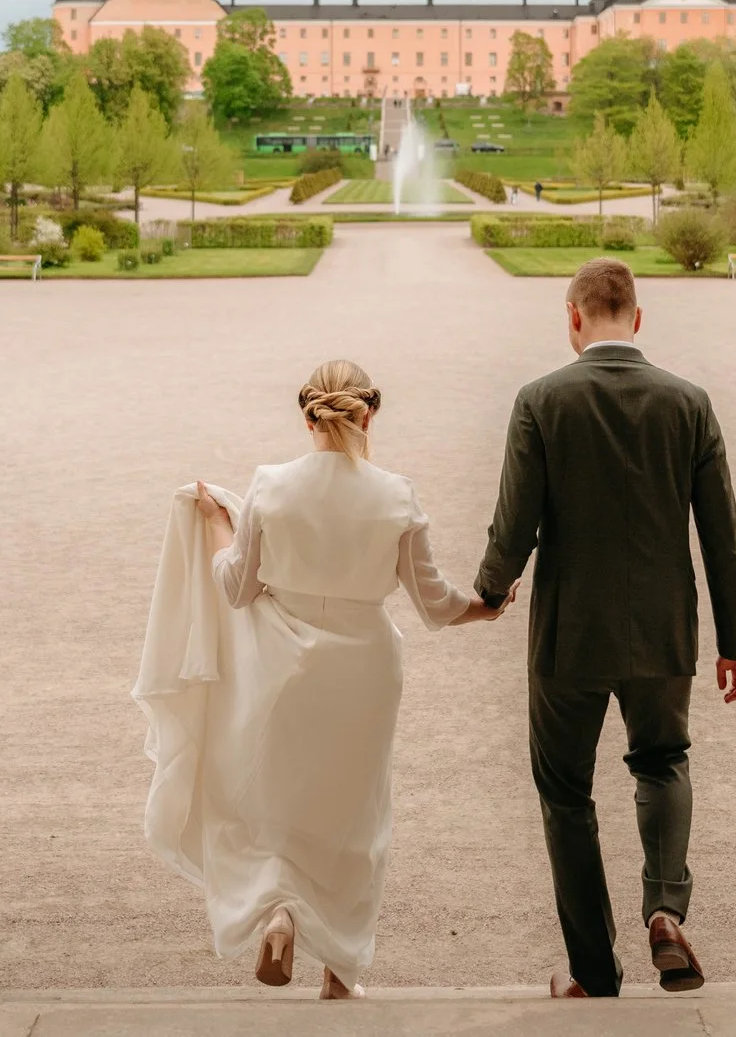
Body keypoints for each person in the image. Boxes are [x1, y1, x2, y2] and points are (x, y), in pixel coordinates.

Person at [168, 360, 511, 999]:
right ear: (369, 414)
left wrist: (218, 522)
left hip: (282, 665)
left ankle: (279, 912)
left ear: (307, 417)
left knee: (279, 802)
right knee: (355, 816)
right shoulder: (396, 494)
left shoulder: (270, 486)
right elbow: (434, 603)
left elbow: (237, 589)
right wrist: (485, 608)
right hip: (364, 671)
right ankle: (338, 972)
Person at [475, 257, 736, 999]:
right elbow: (722, 536)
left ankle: (593, 970)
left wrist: (490, 592)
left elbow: (515, 523)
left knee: (565, 791)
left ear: (573, 317)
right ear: (637, 318)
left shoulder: (541, 400)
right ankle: (664, 910)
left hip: (568, 634)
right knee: (663, 761)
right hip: (663, 629)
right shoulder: (688, 403)